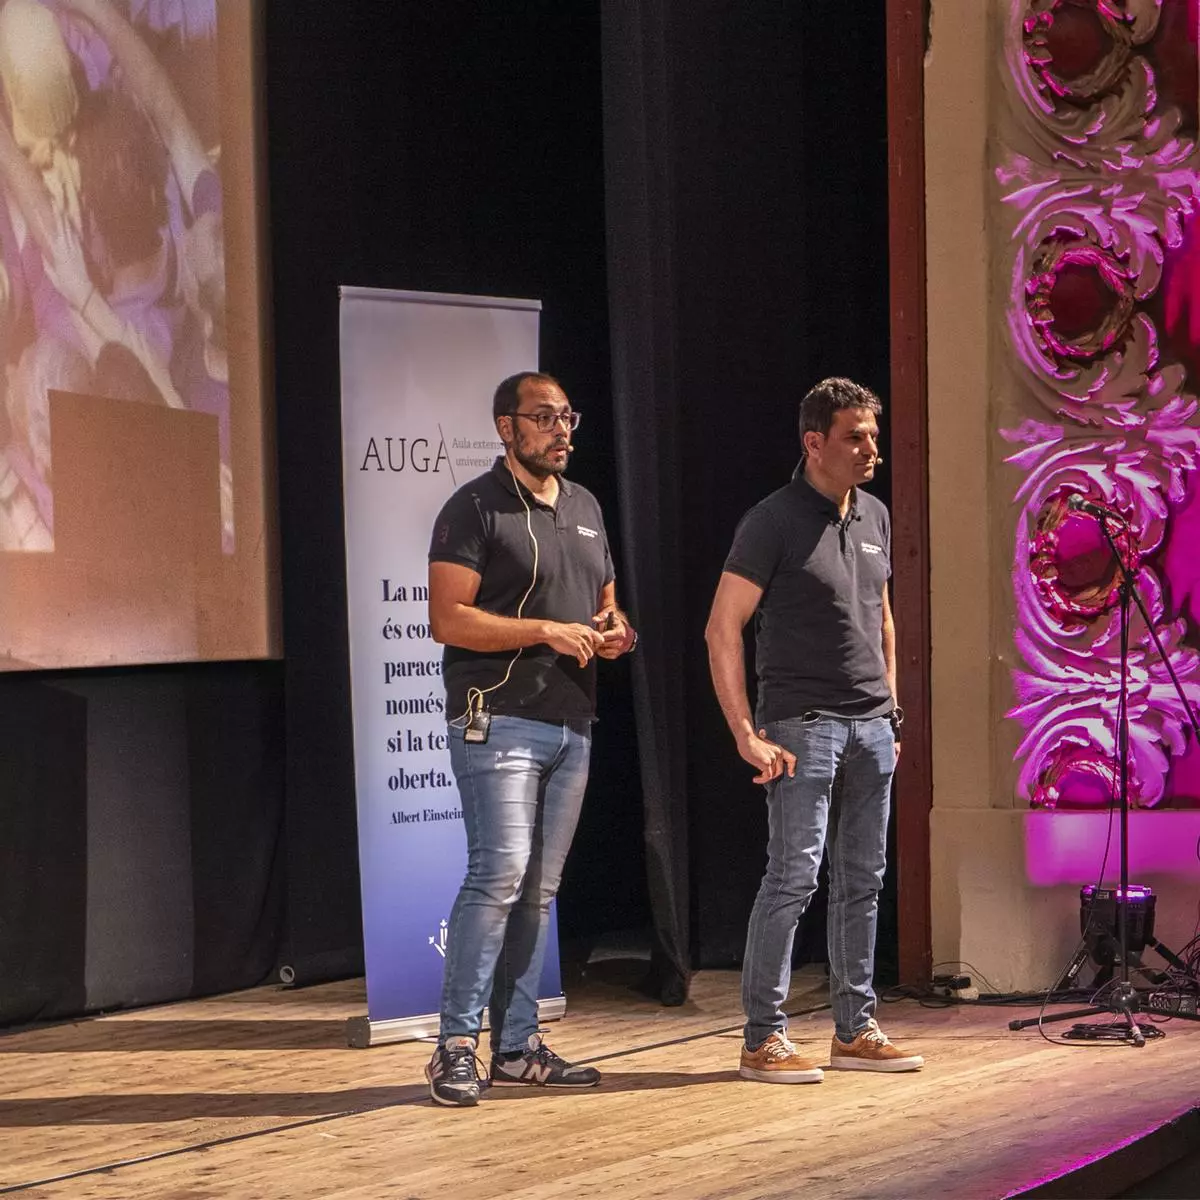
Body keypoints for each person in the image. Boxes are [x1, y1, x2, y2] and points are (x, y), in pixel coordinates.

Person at [424, 370, 637, 1108]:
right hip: (498, 714)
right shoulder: (473, 507)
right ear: (506, 429)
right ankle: (455, 1046)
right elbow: (449, 619)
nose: (561, 430)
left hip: (571, 720)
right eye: (543, 418)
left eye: (567, 417)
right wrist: (544, 629)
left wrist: (615, 633)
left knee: (537, 892)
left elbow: (607, 605)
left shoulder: (584, 505)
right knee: (500, 873)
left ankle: (515, 1049)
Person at [705, 376, 923, 1083]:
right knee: (794, 877)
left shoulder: (876, 517)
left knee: (864, 880)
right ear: (814, 442)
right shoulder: (773, 520)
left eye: (873, 437)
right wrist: (746, 730)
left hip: (869, 727)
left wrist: (891, 712)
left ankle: (854, 1029)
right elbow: (722, 628)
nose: (870, 451)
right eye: (854, 437)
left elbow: (883, 617)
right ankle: (761, 1037)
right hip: (802, 725)